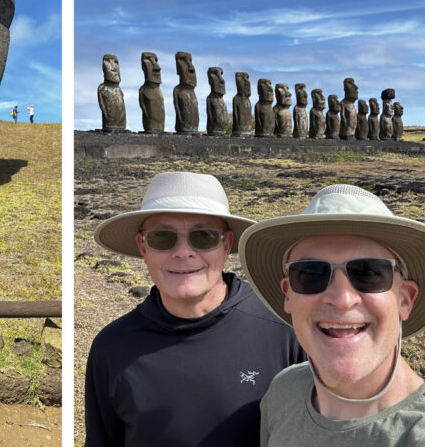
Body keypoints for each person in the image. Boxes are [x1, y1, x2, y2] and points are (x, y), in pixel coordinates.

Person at [85, 172, 305, 446]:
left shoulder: (284, 327)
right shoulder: (111, 348)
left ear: (226, 244)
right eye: (163, 238)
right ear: (143, 246)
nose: (183, 252)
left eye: (203, 237)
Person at [239, 184, 425, 446]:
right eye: (310, 273)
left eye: (369, 272)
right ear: (288, 295)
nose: (342, 300)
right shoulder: (284, 390)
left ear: (404, 299)